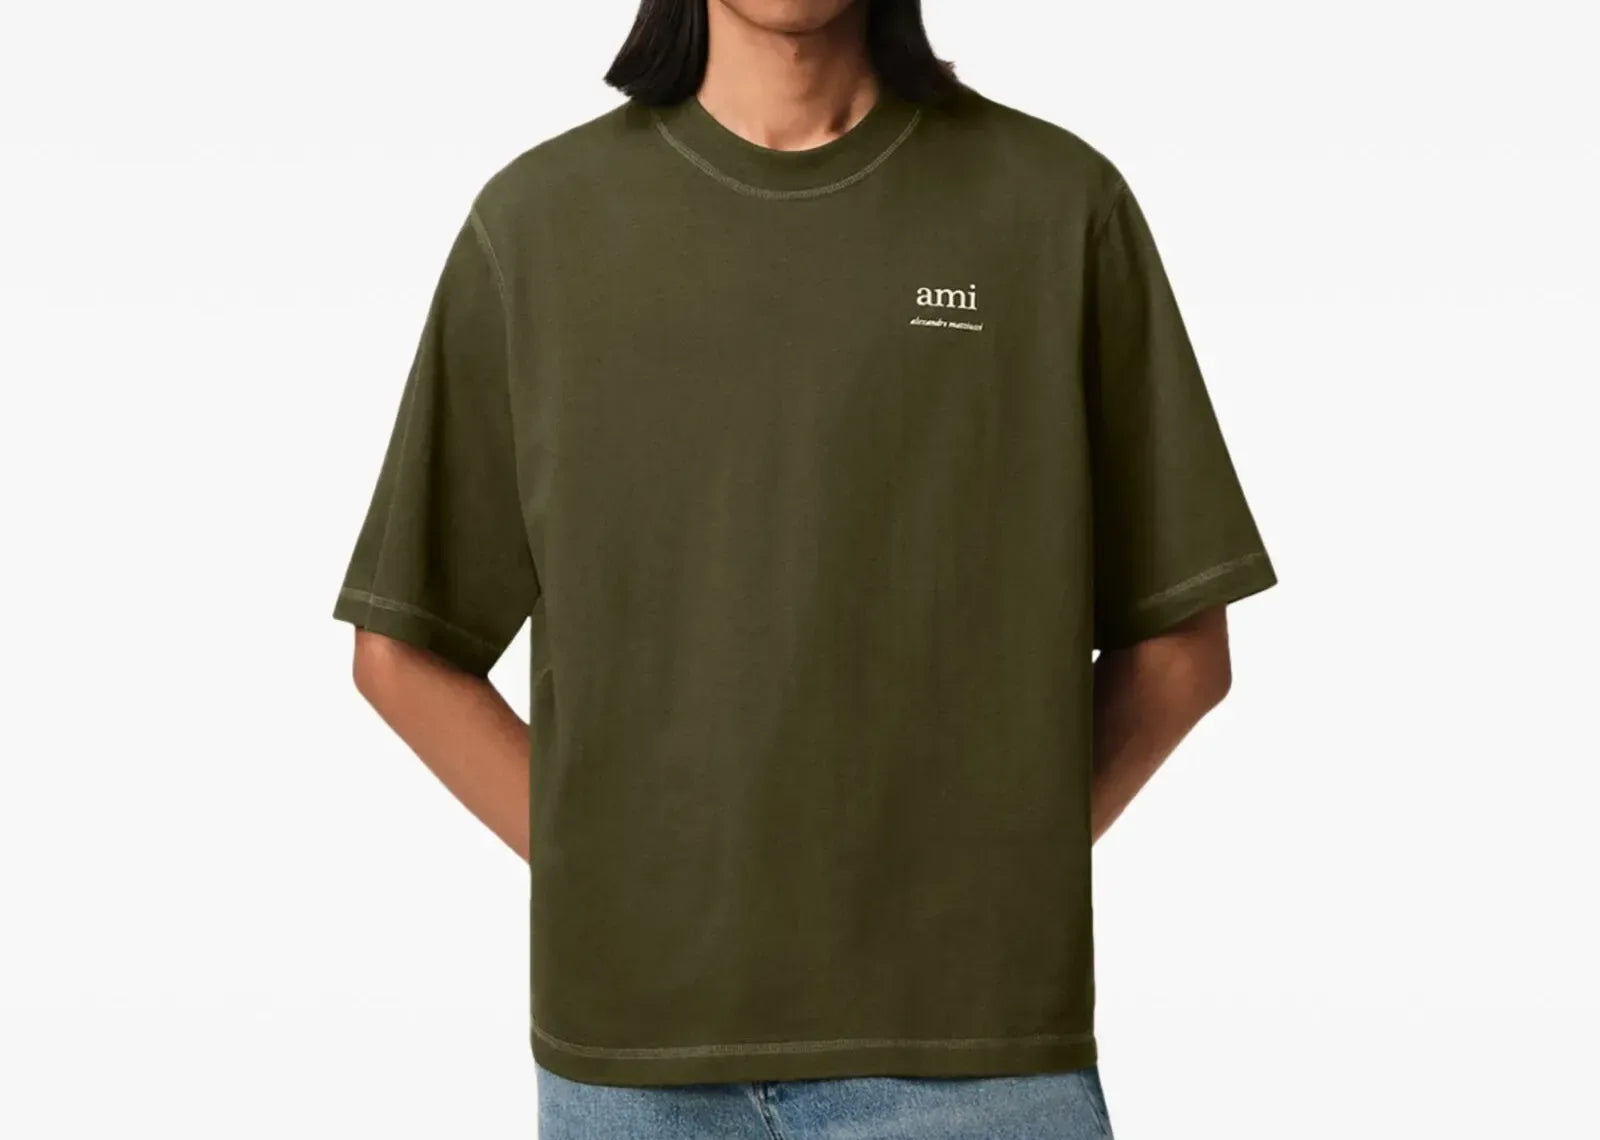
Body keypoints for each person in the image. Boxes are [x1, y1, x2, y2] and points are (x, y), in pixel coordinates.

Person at [332, 0, 1277, 1135]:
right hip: (637, 1075)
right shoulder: (538, 226)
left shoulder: (1055, 207)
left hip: (976, 1069)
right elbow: (404, 649)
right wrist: (615, 887)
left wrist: (995, 889)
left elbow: (1180, 648)